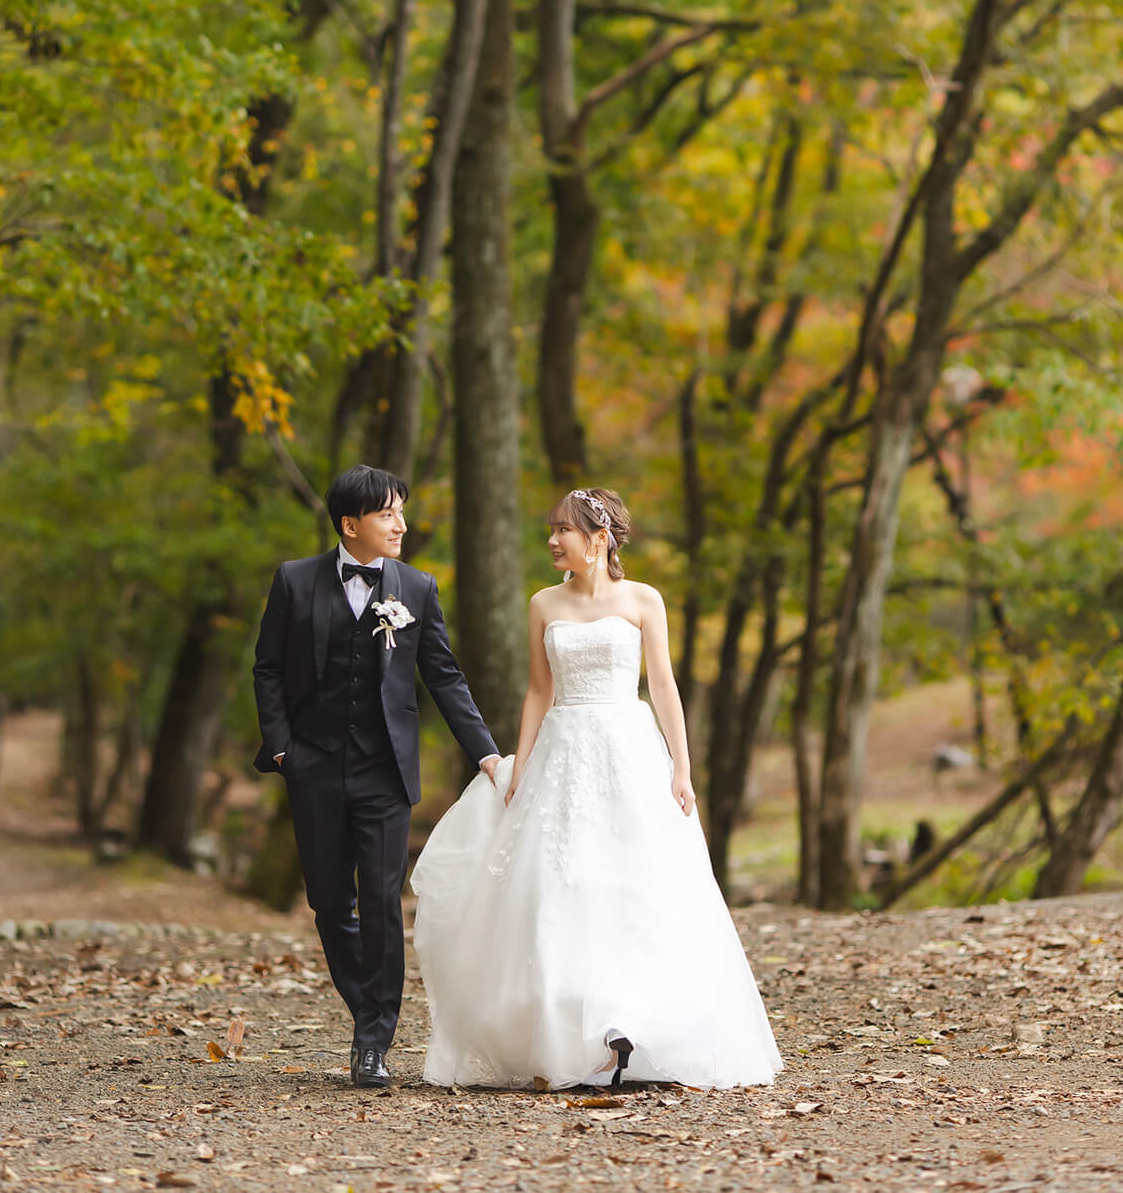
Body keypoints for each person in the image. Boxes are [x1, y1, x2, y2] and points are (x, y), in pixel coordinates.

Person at [410, 487, 782, 1090]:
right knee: (560, 883)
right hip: (562, 750)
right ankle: (573, 1035)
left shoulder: (644, 600)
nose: (553, 540)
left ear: (600, 537)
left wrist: (682, 769)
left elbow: (662, 686)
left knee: (637, 879)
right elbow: (538, 690)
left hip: (628, 747)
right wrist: (520, 767)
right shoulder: (542, 604)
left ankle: (634, 1026)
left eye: (564, 530)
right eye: (551, 530)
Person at [252, 464, 500, 1088]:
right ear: (349, 524)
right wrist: (282, 748)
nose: (401, 525)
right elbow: (269, 669)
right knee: (331, 903)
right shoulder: (294, 580)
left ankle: (373, 1040)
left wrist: (487, 754)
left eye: (400, 512)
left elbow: (444, 675)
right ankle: (369, 1006)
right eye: (388, 513)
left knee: (384, 904)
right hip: (312, 768)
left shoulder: (415, 588)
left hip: (385, 772)